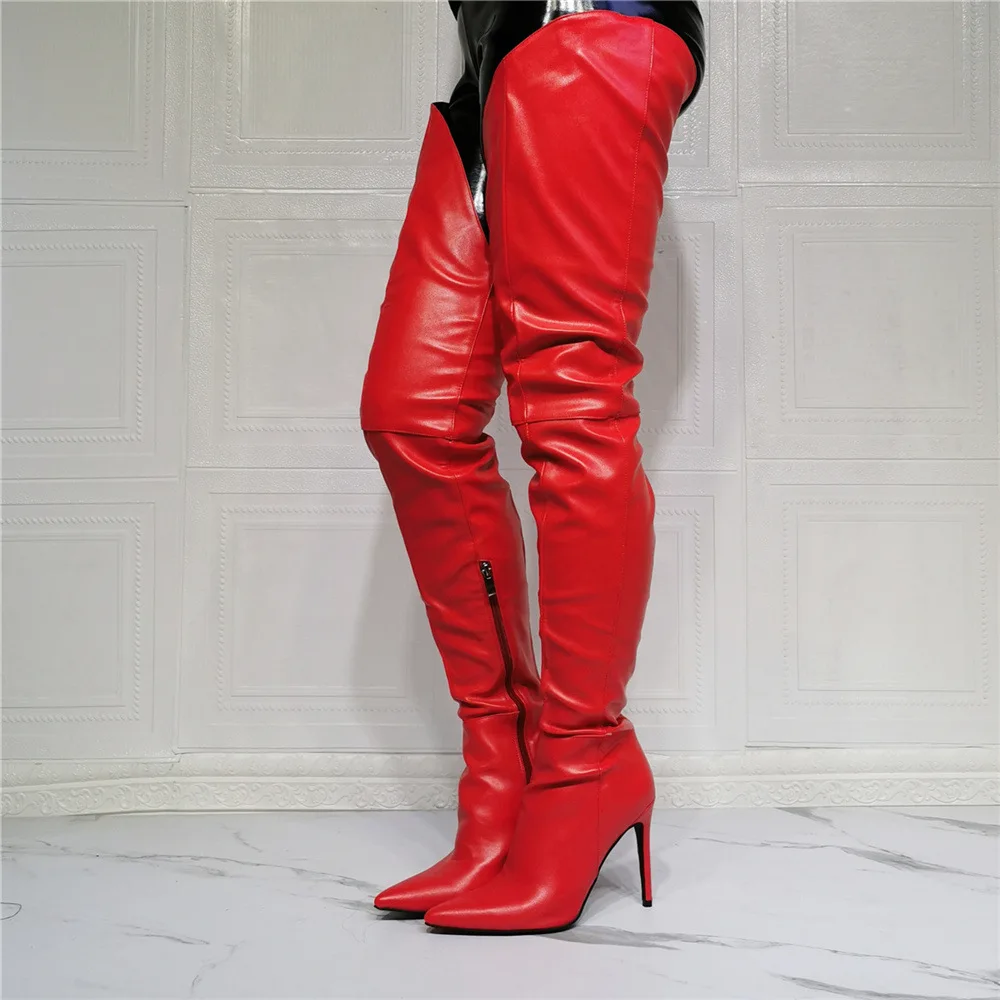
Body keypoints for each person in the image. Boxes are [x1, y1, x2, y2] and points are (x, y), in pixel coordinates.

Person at [359, 0, 705, 935]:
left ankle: (587, 764)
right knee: (412, 416)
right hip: (492, 58)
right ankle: (505, 774)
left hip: (588, 18)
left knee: (572, 400)